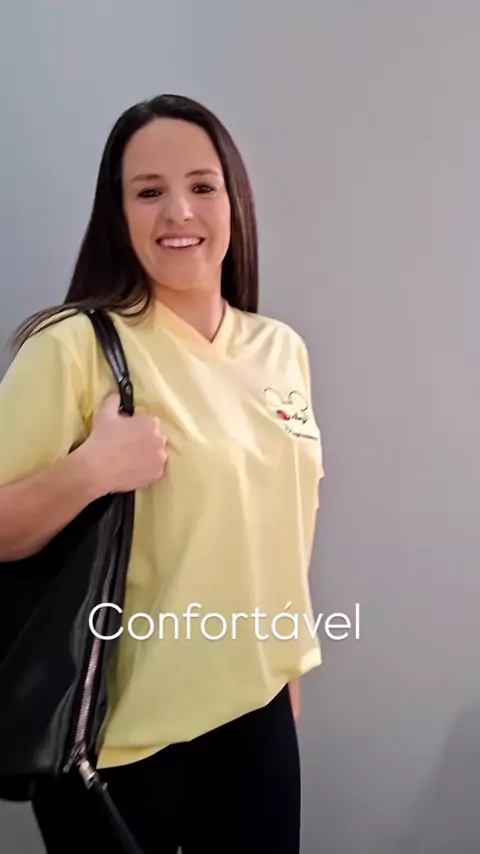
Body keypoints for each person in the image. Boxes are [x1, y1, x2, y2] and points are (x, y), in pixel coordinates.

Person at [0, 94, 325, 853]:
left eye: (202, 185)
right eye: (149, 191)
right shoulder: (74, 347)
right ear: (118, 214)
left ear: (233, 200)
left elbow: (284, 526)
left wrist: (285, 672)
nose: (179, 211)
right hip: (113, 743)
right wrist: (90, 472)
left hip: (256, 715)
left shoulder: (280, 350)